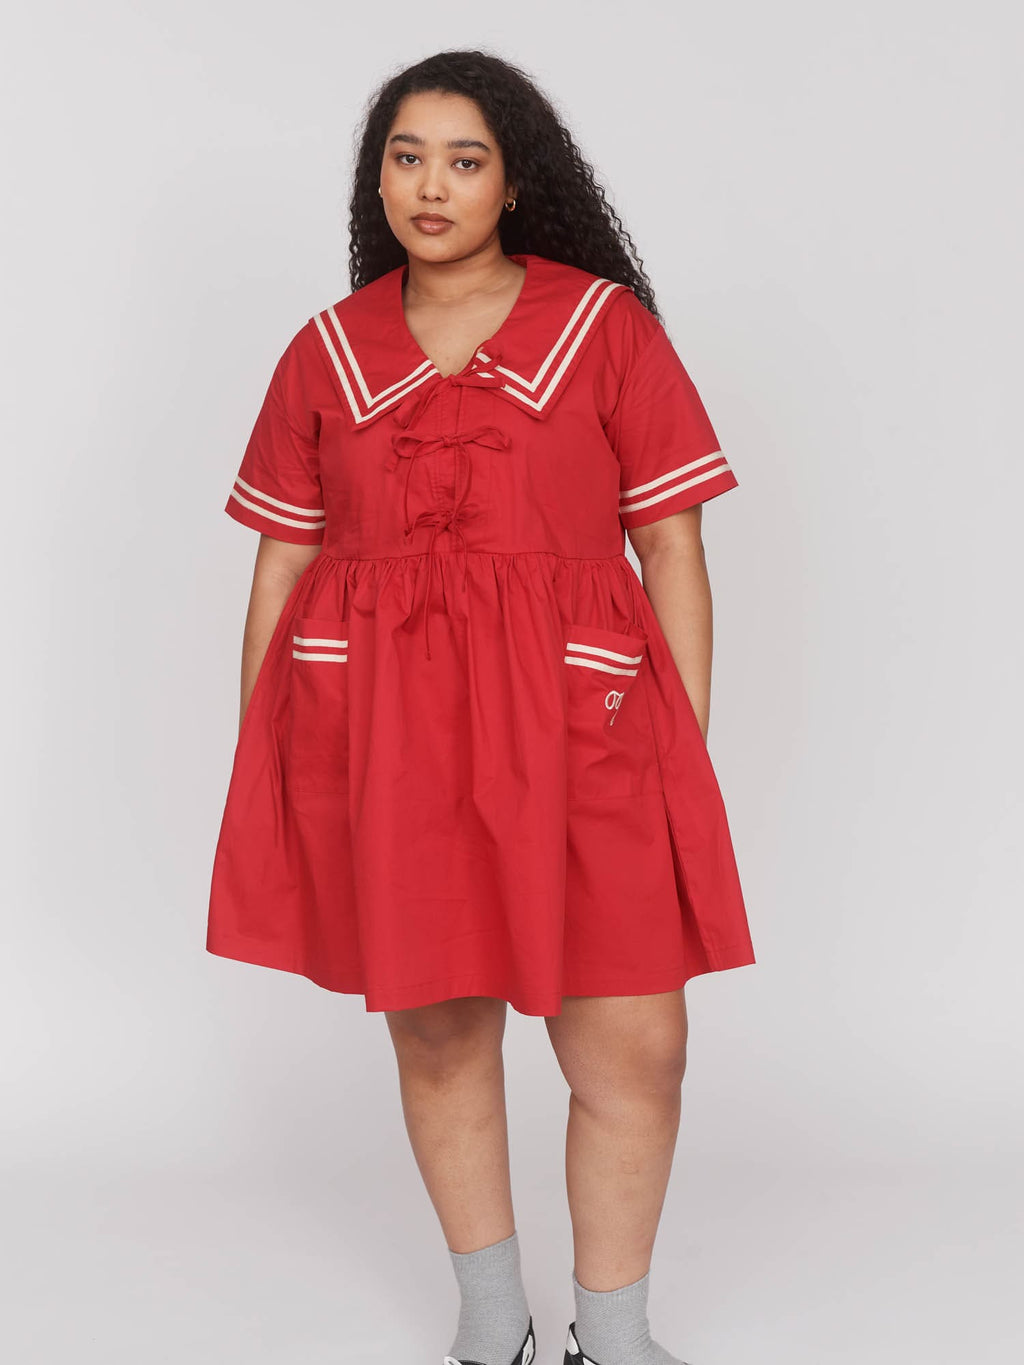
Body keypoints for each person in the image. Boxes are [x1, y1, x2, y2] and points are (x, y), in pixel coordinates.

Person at [206, 47, 756, 1365]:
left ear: (514, 182)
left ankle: (612, 1336)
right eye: (406, 157)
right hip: (382, 735)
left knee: (637, 1041)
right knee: (443, 1025)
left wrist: (675, 742)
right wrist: (274, 758)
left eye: (464, 160)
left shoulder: (605, 329)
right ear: (377, 179)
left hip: (583, 726)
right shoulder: (326, 352)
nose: (431, 185)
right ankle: (492, 1326)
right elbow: (281, 562)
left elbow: (672, 546)